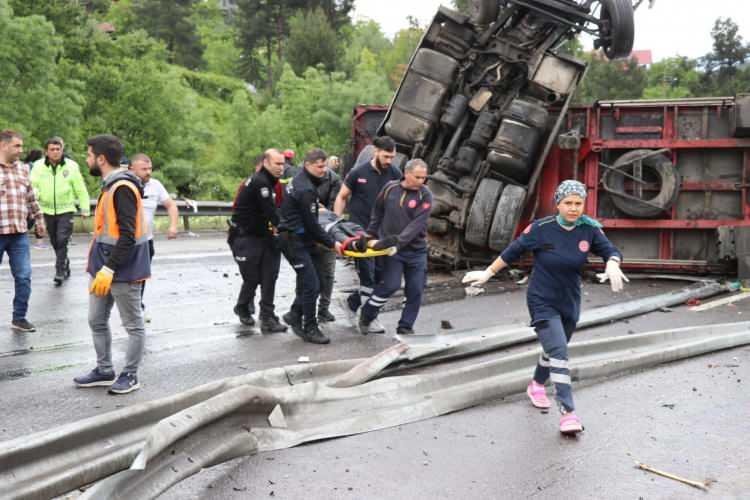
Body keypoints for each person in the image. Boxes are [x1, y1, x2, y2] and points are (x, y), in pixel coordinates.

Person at [462, 180, 628, 435]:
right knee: (559, 353)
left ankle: (537, 384)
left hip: (570, 300)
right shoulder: (542, 229)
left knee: (555, 348)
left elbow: (610, 250)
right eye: (568, 203)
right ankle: (568, 414)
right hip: (542, 299)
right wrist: (487, 273)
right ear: (558, 204)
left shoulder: (590, 229)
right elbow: (512, 251)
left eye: (578, 203)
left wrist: (613, 263)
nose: (573, 208)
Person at [73, 134, 150, 395]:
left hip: (122, 269)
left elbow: (128, 236)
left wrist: (109, 268)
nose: (87, 159)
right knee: (96, 319)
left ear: (101, 159)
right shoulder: (110, 184)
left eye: (89, 155)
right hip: (103, 268)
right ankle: (104, 370)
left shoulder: (122, 188)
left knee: (133, 325)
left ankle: (130, 375)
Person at [334, 136, 401, 332]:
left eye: (392, 157)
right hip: (361, 235)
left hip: (382, 235)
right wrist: (337, 224)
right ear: (375, 151)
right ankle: (369, 319)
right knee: (367, 277)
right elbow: (342, 197)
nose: (389, 160)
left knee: (382, 279)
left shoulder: (395, 173)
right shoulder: (358, 173)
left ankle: (352, 303)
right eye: (386, 156)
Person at [358, 159, 432, 336]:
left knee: (415, 289)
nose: (422, 181)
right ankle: (367, 314)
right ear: (406, 174)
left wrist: (395, 242)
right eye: (418, 177)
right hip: (391, 251)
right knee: (390, 285)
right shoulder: (390, 188)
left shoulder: (425, 195)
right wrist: (370, 235)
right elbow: (377, 212)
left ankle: (405, 327)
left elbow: (416, 226)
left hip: (415, 251)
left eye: (424, 177)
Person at [278, 149, 343, 345]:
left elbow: (309, 217)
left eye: (325, 166)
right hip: (293, 240)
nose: (324, 170)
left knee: (320, 280)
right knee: (311, 285)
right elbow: (312, 225)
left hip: (303, 238)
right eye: (320, 166)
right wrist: (333, 243)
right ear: (307, 165)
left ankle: (294, 314)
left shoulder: (303, 181)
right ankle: (310, 327)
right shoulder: (304, 188)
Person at [228, 149, 287, 334]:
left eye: (283, 163)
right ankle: (243, 307)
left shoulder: (270, 181)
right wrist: (288, 229)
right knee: (252, 278)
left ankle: (267, 317)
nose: (281, 168)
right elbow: (271, 212)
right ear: (266, 163)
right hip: (245, 237)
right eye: (277, 164)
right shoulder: (260, 182)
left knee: (270, 276)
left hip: (263, 236)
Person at [0, 130, 46, 332]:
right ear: (3, 145)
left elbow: (30, 197)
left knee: (24, 276)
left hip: (19, 232)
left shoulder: (23, 169)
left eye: (21, 146)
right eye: (17, 146)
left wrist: (39, 220)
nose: (21, 150)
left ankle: (19, 318)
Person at [30, 136, 90, 286]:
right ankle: (65, 262)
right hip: (46, 209)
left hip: (66, 209)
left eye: (58, 149)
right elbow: (32, 185)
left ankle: (60, 271)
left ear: (62, 150)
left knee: (62, 239)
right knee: (55, 241)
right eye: (52, 149)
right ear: (46, 151)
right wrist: (36, 195)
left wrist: (85, 208)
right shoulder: (38, 166)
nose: (56, 152)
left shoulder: (71, 166)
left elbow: (80, 188)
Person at [128, 153, 179, 314]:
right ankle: (128, 303)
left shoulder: (155, 185)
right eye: (143, 169)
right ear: (132, 169)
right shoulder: (124, 185)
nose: (148, 172)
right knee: (126, 275)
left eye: (150, 168)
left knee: (142, 274)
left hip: (146, 240)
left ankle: (137, 303)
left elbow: (171, 205)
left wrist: (173, 225)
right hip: (126, 240)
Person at [311, 159, 342, 322]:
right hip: (309, 232)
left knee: (328, 273)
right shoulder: (302, 179)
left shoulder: (334, 180)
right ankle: (304, 309)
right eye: (319, 166)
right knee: (309, 274)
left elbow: (333, 208)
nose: (321, 170)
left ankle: (324, 309)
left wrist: (322, 210)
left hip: (327, 229)